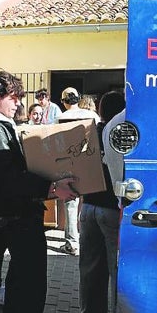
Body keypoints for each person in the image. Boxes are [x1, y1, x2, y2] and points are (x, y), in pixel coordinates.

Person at [0, 70, 77, 313]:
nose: (17, 104)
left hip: (14, 217)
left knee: (22, 286)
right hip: (17, 218)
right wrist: (50, 188)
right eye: (14, 97)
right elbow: (6, 180)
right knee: (27, 289)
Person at [78, 91, 125, 313]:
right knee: (116, 269)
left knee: (89, 267)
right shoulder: (124, 135)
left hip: (88, 207)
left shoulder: (90, 134)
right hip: (111, 210)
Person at [56, 87, 101, 256]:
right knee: (89, 203)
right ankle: (89, 240)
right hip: (90, 163)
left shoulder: (60, 118)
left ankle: (72, 243)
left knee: (70, 203)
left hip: (69, 164)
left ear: (64, 101)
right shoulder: (93, 116)